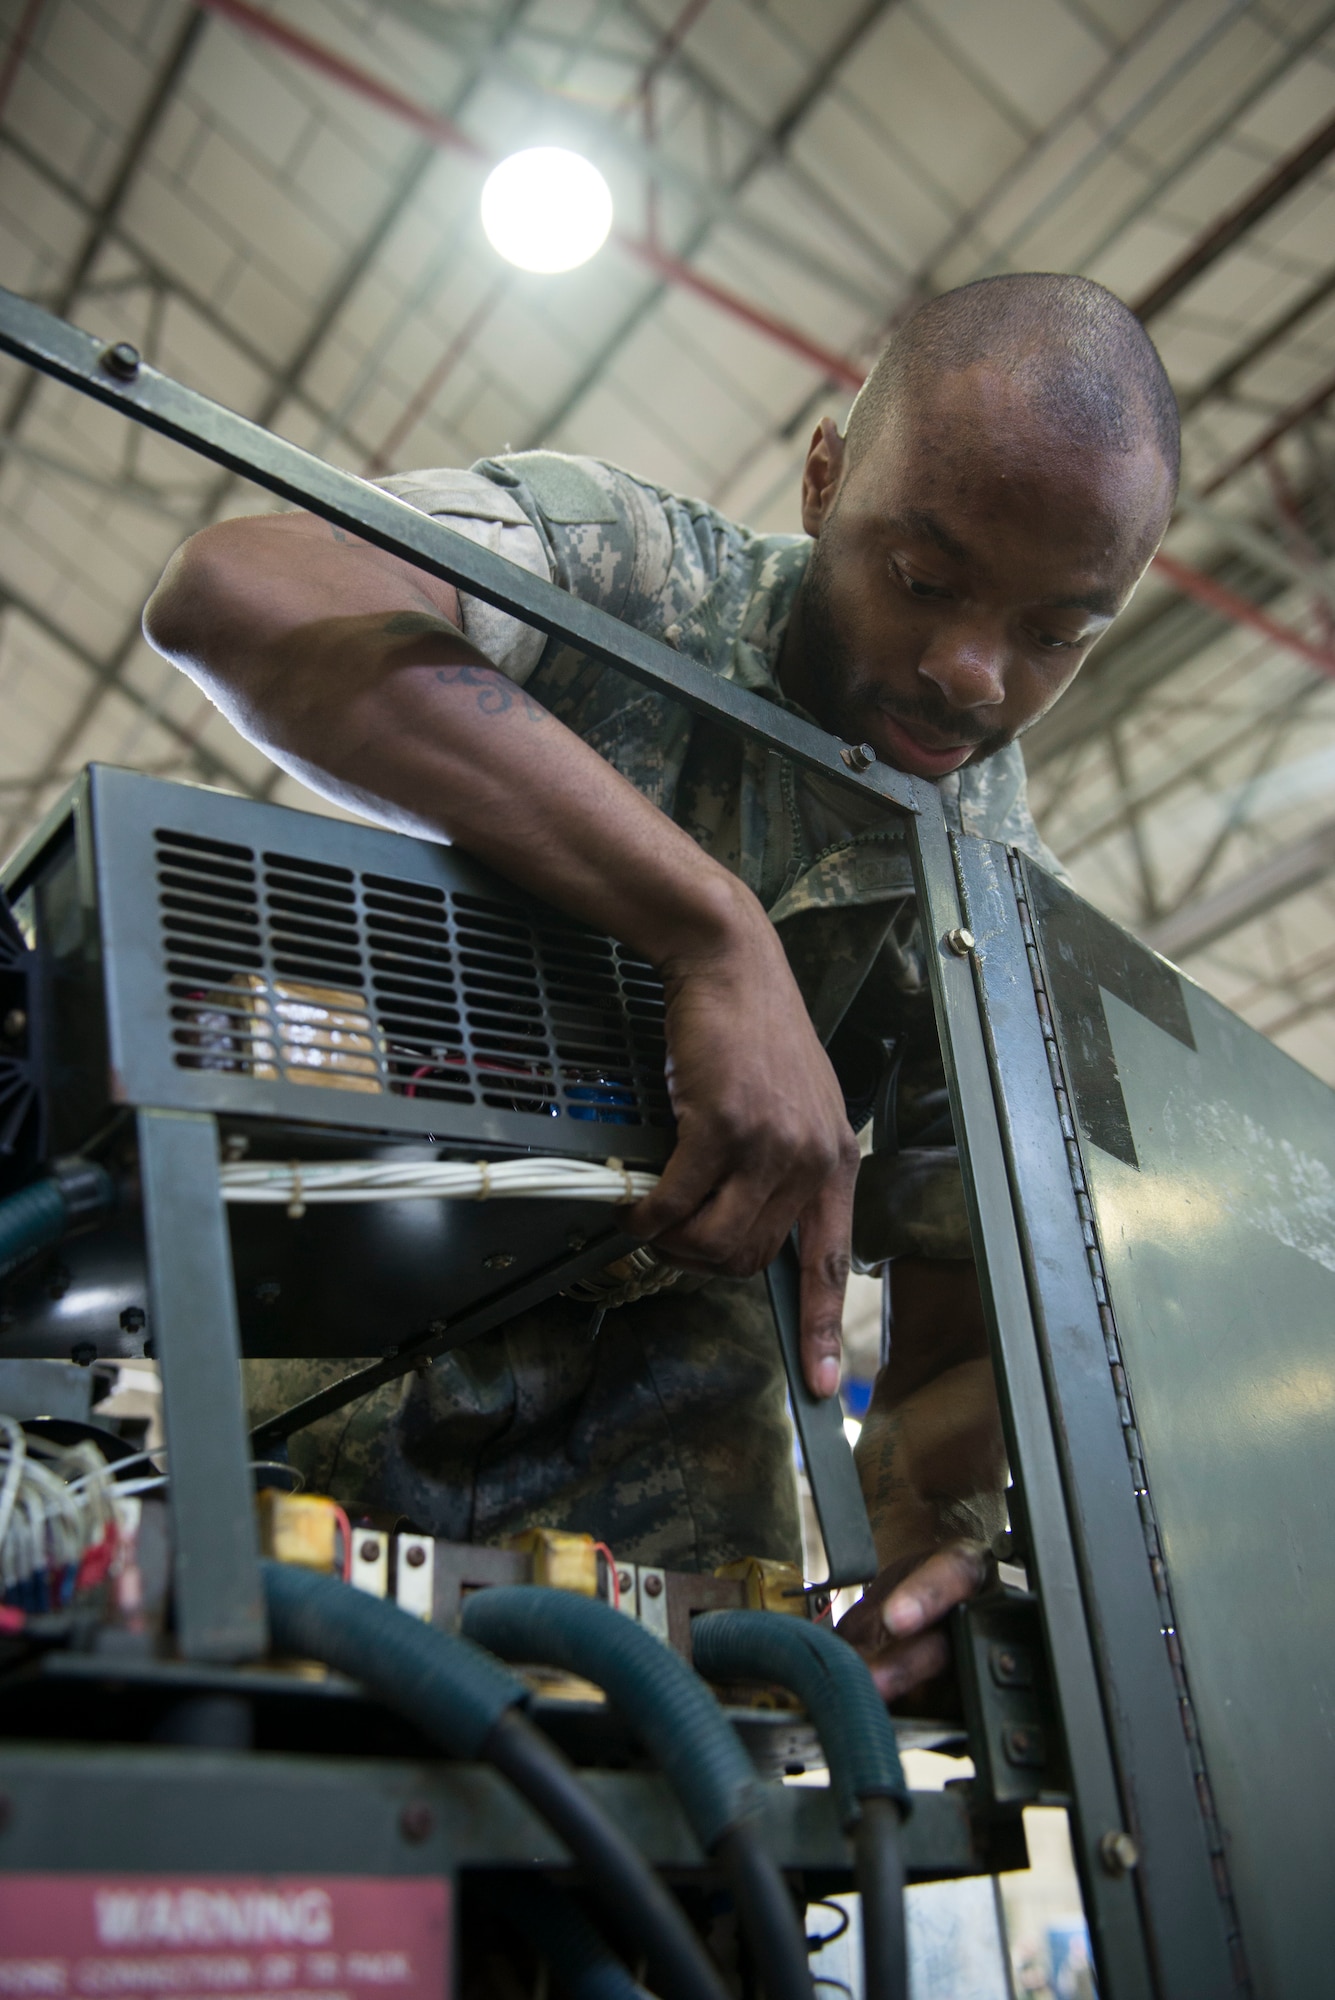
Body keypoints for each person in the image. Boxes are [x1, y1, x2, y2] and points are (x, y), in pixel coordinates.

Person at [143, 272, 1177, 1702]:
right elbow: (241, 591)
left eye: (1057, 632)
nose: (970, 671)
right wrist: (713, 932)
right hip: (354, 1347)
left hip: (682, 1499)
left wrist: (928, 1532)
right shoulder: (627, 563)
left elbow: (945, 1358)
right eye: (925, 579)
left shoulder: (996, 911)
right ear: (824, 479)